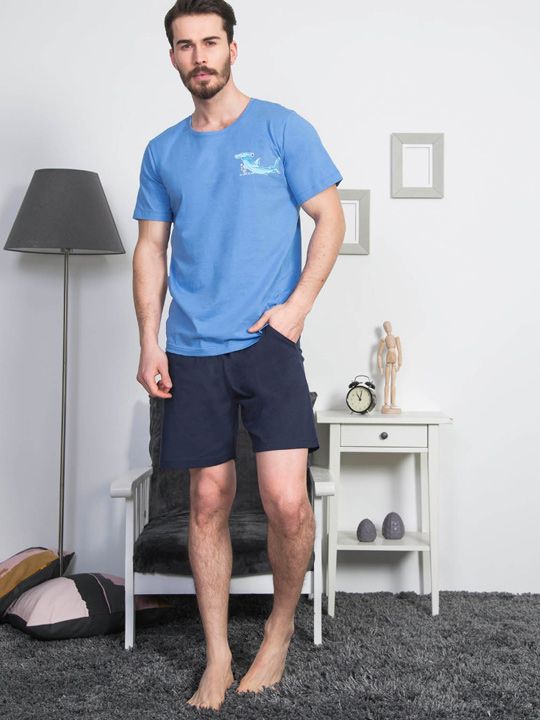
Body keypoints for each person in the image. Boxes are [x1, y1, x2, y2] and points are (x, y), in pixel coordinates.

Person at [132, 0, 345, 711]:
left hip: (268, 344)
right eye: (185, 45)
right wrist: (149, 340)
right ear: (172, 56)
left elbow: (330, 217)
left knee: (286, 501)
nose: (199, 56)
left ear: (232, 48)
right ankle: (219, 655)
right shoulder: (163, 151)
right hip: (192, 350)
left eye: (210, 42)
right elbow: (151, 248)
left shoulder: (282, 128)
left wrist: (296, 309)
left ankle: (278, 631)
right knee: (207, 499)